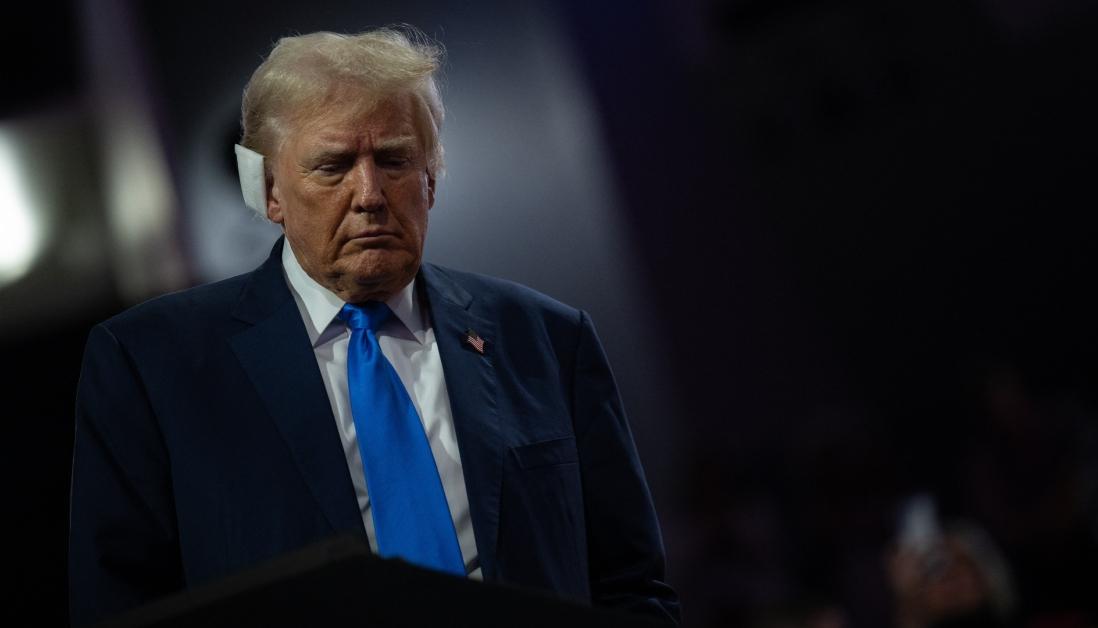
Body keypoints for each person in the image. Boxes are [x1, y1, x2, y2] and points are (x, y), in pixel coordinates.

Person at [68, 27, 678, 626]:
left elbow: (632, 586)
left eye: (394, 160)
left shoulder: (546, 340)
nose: (370, 194)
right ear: (270, 192)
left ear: (432, 178)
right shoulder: (152, 364)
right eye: (332, 166)